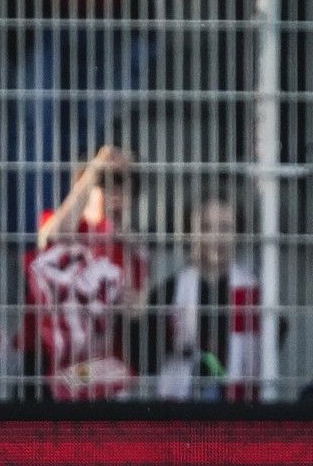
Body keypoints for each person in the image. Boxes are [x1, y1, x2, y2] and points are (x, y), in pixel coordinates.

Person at [25, 144, 149, 400]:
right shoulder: (62, 225)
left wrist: (130, 304)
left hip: (98, 367)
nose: (116, 193)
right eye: (106, 182)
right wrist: (95, 167)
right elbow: (51, 237)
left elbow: (139, 308)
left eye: (125, 185)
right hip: (46, 359)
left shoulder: (131, 251)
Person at [157, 195, 262, 401]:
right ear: (191, 234)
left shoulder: (252, 290)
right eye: (206, 228)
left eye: (225, 228)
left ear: (239, 234)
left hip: (238, 404)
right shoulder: (171, 289)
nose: (216, 237)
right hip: (181, 402)